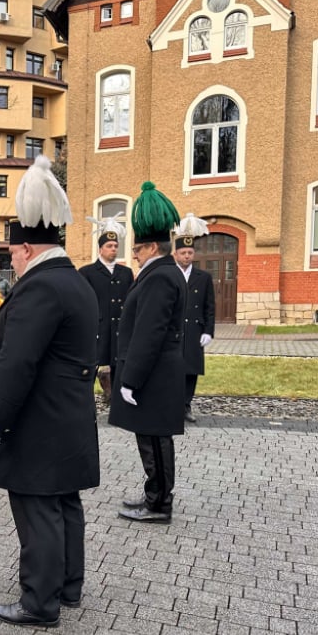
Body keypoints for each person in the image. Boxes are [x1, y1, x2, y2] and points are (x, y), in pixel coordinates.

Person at [0, 155, 100, 627]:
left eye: (11, 253)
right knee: (64, 501)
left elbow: (17, 361)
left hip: (40, 418)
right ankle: (67, 586)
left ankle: (39, 602)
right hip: (67, 413)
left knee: (36, 507)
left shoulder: (41, 287)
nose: (9, 260)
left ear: (26, 247)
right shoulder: (75, 280)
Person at [109, 182, 188, 523]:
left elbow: (149, 332)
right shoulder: (163, 272)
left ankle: (158, 504)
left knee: (154, 438)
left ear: (153, 246)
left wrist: (131, 378)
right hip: (157, 371)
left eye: (138, 249)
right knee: (153, 436)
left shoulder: (158, 276)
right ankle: (154, 495)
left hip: (152, 373)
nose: (134, 255)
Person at [79, 217, 134, 401]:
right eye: (109, 246)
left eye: (115, 246)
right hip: (97, 326)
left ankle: (117, 397)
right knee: (91, 363)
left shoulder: (125, 273)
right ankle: (82, 396)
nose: (113, 249)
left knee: (118, 362)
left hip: (119, 327)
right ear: (100, 249)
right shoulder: (87, 272)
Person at [173, 225, 215, 423]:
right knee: (172, 368)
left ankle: (186, 406)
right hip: (174, 330)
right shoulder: (169, 274)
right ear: (175, 254)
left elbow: (210, 306)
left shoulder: (203, 277)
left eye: (190, 252)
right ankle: (171, 405)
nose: (187, 256)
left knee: (190, 369)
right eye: (183, 252)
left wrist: (208, 331)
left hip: (194, 330)